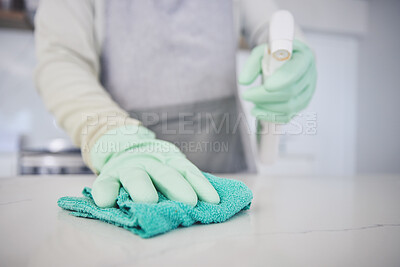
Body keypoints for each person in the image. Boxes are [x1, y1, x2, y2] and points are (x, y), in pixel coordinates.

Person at [34, 0, 316, 207]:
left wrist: (293, 58)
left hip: (228, 171)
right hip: (131, 175)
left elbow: (273, 25)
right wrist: (117, 139)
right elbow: (61, 60)